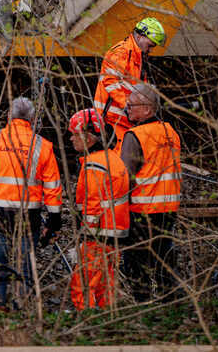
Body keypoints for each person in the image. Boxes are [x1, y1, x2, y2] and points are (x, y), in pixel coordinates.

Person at [0, 97, 62, 306]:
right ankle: (23, 305)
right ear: (32, 118)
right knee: (25, 266)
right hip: (29, 217)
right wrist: (54, 219)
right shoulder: (43, 146)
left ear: (9, 116)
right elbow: (53, 187)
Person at [119, 83, 181, 303]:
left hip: (142, 210)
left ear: (147, 109)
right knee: (164, 259)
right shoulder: (170, 132)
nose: (127, 109)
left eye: (131, 105)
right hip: (168, 210)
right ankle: (170, 304)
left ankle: (143, 305)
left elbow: (125, 177)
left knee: (135, 262)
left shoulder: (135, 136)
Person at [68, 109, 130, 310]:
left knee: (84, 281)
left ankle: (84, 318)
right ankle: (106, 319)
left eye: (75, 134)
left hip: (97, 234)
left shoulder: (95, 164)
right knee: (105, 281)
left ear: (88, 138)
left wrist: (85, 234)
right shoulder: (110, 158)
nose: (71, 139)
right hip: (112, 232)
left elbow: (92, 204)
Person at [94, 17, 165, 148]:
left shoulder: (136, 56)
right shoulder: (121, 52)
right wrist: (129, 105)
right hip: (111, 118)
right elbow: (110, 82)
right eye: (150, 45)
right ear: (139, 36)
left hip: (124, 118)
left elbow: (140, 89)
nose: (150, 50)